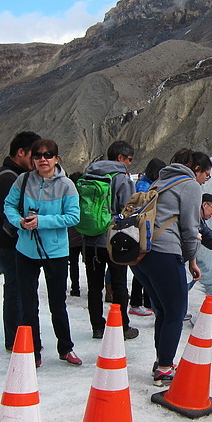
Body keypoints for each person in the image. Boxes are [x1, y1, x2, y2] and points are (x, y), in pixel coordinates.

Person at [130, 148, 210, 386]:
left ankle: (161, 361)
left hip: (141, 255)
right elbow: (189, 227)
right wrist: (189, 258)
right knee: (175, 311)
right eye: (206, 174)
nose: (206, 179)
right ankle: (165, 368)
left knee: (163, 311)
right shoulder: (190, 185)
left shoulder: (159, 181)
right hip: (164, 253)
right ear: (196, 168)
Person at [3, 138, 81, 367]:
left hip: (55, 251)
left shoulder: (67, 185)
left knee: (57, 302)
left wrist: (42, 221)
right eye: (37, 155)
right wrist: (19, 221)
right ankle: (33, 350)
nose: (42, 159)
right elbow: (8, 205)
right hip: (26, 250)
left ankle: (65, 348)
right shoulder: (23, 179)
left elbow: (73, 217)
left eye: (48, 155)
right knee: (28, 303)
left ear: (57, 158)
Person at [0, 131, 41, 352]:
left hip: (10, 243)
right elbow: (9, 217)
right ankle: (16, 339)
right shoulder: (9, 178)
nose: (38, 160)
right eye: (34, 155)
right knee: (16, 292)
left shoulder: (11, 175)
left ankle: (19, 336)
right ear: (21, 152)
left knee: (18, 291)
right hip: (10, 245)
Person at [81, 140, 139, 340]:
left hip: (89, 240)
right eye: (129, 159)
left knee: (94, 286)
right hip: (113, 240)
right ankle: (122, 327)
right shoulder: (121, 178)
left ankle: (97, 327)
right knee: (119, 284)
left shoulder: (89, 173)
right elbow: (128, 209)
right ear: (120, 158)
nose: (130, 164)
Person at [128, 157, 166, 316]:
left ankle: (145, 301)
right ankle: (137, 303)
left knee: (142, 268)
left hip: (142, 230)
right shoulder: (145, 186)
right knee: (141, 269)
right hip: (142, 230)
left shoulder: (144, 182)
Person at [67, 171, 84, 297]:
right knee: (90, 264)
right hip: (84, 235)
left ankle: (75, 288)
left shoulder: (68, 195)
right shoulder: (85, 196)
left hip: (71, 236)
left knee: (73, 264)